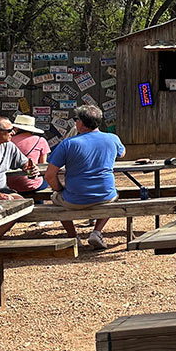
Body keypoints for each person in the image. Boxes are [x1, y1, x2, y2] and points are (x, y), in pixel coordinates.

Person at [44, 106, 125, 250]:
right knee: (115, 194)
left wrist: (59, 189)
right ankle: (97, 231)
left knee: (56, 197)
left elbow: (50, 176)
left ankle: (72, 235)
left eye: (76, 120)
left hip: (74, 198)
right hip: (105, 196)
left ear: (80, 123)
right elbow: (122, 153)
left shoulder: (68, 144)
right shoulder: (113, 139)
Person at [0, 117, 38, 240]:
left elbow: (24, 163)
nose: (13, 132)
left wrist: (29, 168)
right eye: (10, 130)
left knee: (20, 205)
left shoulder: (9, 146)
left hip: (2, 190)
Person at [6, 114, 51, 198]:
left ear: (16, 127)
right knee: (43, 182)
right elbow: (42, 165)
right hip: (30, 183)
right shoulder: (40, 141)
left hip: (9, 183)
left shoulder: (8, 141)